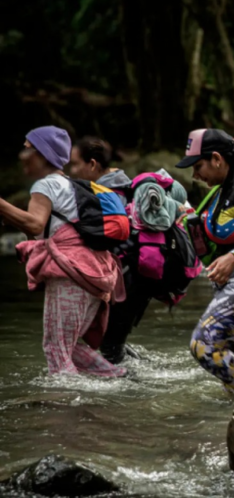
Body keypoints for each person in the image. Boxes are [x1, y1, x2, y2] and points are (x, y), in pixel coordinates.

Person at [2, 126, 126, 377]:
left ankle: (65, 409)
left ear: (43, 154)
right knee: (68, 348)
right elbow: (42, 232)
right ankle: (119, 379)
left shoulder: (45, 185)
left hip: (71, 274)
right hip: (94, 274)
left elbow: (36, 224)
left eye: (27, 149)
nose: (21, 155)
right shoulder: (69, 185)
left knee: (55, 349)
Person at [176, 129, 234, 397]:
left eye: (198, 166)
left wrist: (233, 258)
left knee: (202, 345)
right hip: (232, 281)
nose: (195, 175)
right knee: (232, 360)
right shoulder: (222, 189)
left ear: (217, 158)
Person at [70, 137, 144, 364]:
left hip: (127, 280)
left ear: (92, 165)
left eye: (74, 164)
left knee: (110, 347)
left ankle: (138, 394)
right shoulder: (126, 185)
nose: (71, 171)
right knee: (112, 342)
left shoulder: (105, 194)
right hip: (138, 278)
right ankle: (148, 375)